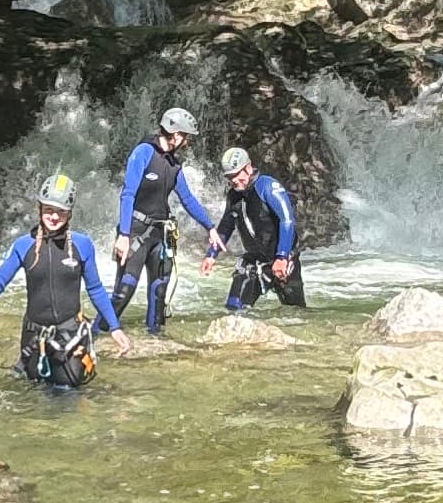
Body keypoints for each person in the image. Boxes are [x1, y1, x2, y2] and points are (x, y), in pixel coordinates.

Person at [0, 172, 129, 389]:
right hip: (34, 339)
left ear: (70, 213)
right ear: (39, 209)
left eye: (61, 212)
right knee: (33, 396)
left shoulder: (82, 245)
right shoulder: (23, 245)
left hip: (70, 337)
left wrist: (114, 327)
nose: (54, 217)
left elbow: (96, 289)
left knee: (68, 396)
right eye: (49, 210)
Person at [113, 101, 216, 336]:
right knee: (124, 291)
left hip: (161, 235)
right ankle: (98, 332)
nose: (187, 142)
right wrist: (124, 235)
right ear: (176, 134)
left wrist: (210, 227)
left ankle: (156, 339)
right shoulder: (143, 153)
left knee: (159, 292)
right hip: (137, 232)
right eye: (186, 137)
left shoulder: (174, 165)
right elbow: (127, 193)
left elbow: (187, 199)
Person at [213, 140, 304, 311]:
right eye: (229, 177)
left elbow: (287, 220)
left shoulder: (267, 186)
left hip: (281, 259)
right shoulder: (234, 196)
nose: (233, 180)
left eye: (236, 175)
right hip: (254, 261)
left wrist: (282, 257)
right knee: (234, 310)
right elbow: (226, 225)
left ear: (248, 168)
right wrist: (212, 254)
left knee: (296, 312)